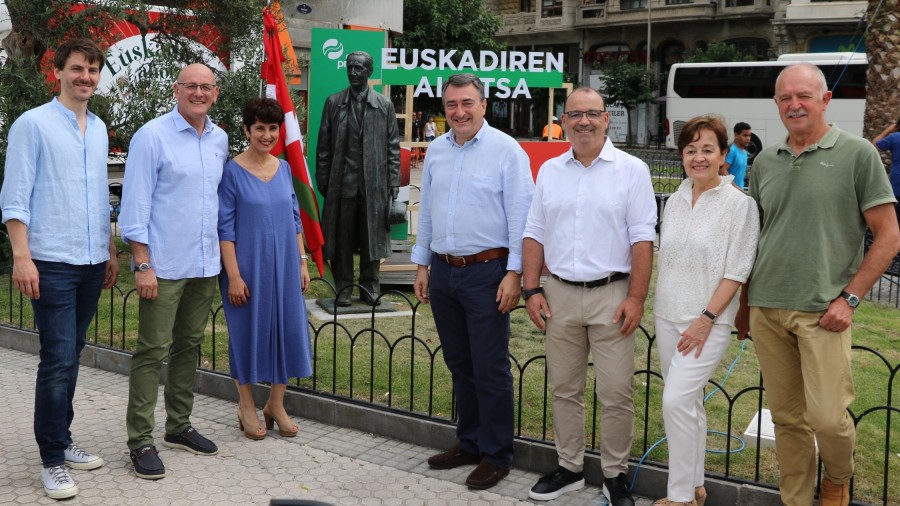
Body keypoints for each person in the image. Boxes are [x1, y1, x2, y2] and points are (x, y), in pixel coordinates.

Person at [736, 63, 900, 506]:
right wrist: (744, 305)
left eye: (804, 96)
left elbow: (888, 236)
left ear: (826, 100)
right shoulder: (764, 161)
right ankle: (796, 500)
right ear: (776, 103)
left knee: (827, 418)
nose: (794, 104)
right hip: (768, 308)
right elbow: (758, 236)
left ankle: (838, 477)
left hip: (824, 311)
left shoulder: (857, 154)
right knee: (787, 420)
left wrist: (850, 298)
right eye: (785, 97)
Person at [522, 87, 656, 505]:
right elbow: (534, 232)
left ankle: (615, 476)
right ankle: (570, 468)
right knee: (564, 388)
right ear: (563, 120)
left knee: (615, 391)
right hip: (559, 293)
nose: (583, 121)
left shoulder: (631, 170)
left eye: (591, 113)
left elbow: (643, 239)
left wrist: (635, 299)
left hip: (612, 295)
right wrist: (530, 289)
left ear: (605, 120)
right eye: (575, 114)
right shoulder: (550, 171)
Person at [0, 38, 118, 500]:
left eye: (92, 69)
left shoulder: (101, 127)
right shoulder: (33, 125)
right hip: (50, 260)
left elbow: (96, 196)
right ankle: (51, 459)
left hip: (90, 260)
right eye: (77, 68)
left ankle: (63, 439)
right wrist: (22, 256)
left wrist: (109, 248)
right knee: (57, 359)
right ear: (58, 72)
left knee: (71, 356)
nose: (85, 77)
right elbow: (14, 196)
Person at [412, 73, 533, 490]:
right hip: (444, 271)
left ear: (483, 104)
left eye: (467, 103)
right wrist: (423, 264)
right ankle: (470, 442)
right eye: (451, 105)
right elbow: (427, 210)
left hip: (488, 273)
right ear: (443, 109)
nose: (459, 112)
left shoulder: (507, 151)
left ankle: (497, 454)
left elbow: (522, 216)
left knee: (490, 367)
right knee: (459, 364)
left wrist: (515, 273)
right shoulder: (438, 152)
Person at [120, 63, 228, 480]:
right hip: (162, 265)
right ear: (176, 90)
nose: (198, 93)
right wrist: (142, 264)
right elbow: (135, 206)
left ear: (215, 93)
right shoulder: (152, 137)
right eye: (191, 86)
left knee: (189, 347)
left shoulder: (219, 139)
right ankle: (140, 441)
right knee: (152, 352)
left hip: (204, 264)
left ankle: (178, 426)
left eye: (206, 87)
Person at [653, 115, 759, 506]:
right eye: (690, 149)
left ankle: (678, 497)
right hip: (666, 314)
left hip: (707, 322)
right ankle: (696, 486)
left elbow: (737, 270)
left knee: (676, 401)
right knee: (689, 404)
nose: (698, 157)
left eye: (707, 149)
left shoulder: (739, 205)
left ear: (722, 156)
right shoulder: (677, 198)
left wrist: (706, 320)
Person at [219, 98, 313, 440]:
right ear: (247, 130)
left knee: (287, 331)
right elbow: (225, 229)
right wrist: (233, 276)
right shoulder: (232, 172)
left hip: (286, 265)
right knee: (245, 334)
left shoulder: (284, 168)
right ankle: (245, 405)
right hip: (246, 268)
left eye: (273, 128)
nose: (267, 134)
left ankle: (276, 404)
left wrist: (302, 262)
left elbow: (293, 217)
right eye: (260, 128)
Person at [316, 50, 401, 307]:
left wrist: (393, 182)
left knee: (370, 240)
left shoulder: (383, 105)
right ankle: (342, 288)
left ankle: (369, 287)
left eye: (359, 69)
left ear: (369, 72)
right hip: (342, 185)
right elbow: (324, 147)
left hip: (373, 186)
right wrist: (324, 180)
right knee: (341, 240)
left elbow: (392, 147)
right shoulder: (333, 102)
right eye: (350, 67)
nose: (353, 73)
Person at [872, 117, 900, 227]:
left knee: (895, 222)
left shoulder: (895, 138)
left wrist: (888, 130)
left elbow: (875, 144)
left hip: (897, 185)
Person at [721, 122, 751, 188]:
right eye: (745, 135)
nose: (748, 138)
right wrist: (735, 187)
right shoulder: (732, 150)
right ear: (736, 135)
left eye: (749, 135)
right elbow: (723, 170)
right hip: (730, 191)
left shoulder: (745, 152)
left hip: (740, 191)